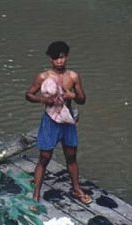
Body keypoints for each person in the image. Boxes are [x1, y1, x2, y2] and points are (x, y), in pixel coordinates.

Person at [25, 41, 92, 204]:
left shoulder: (73, 76)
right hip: (50, 121)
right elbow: (28, 94)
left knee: (71, 156)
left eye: (62, 57)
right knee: (44, 157)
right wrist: (43, 100)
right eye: (56, 58)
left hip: (67, 120)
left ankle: (76, 190)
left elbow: (83, 100)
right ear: (51, 60)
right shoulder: (43, 77)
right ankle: (36, 196)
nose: (59, 61)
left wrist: (73, 96)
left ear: (66, 57)